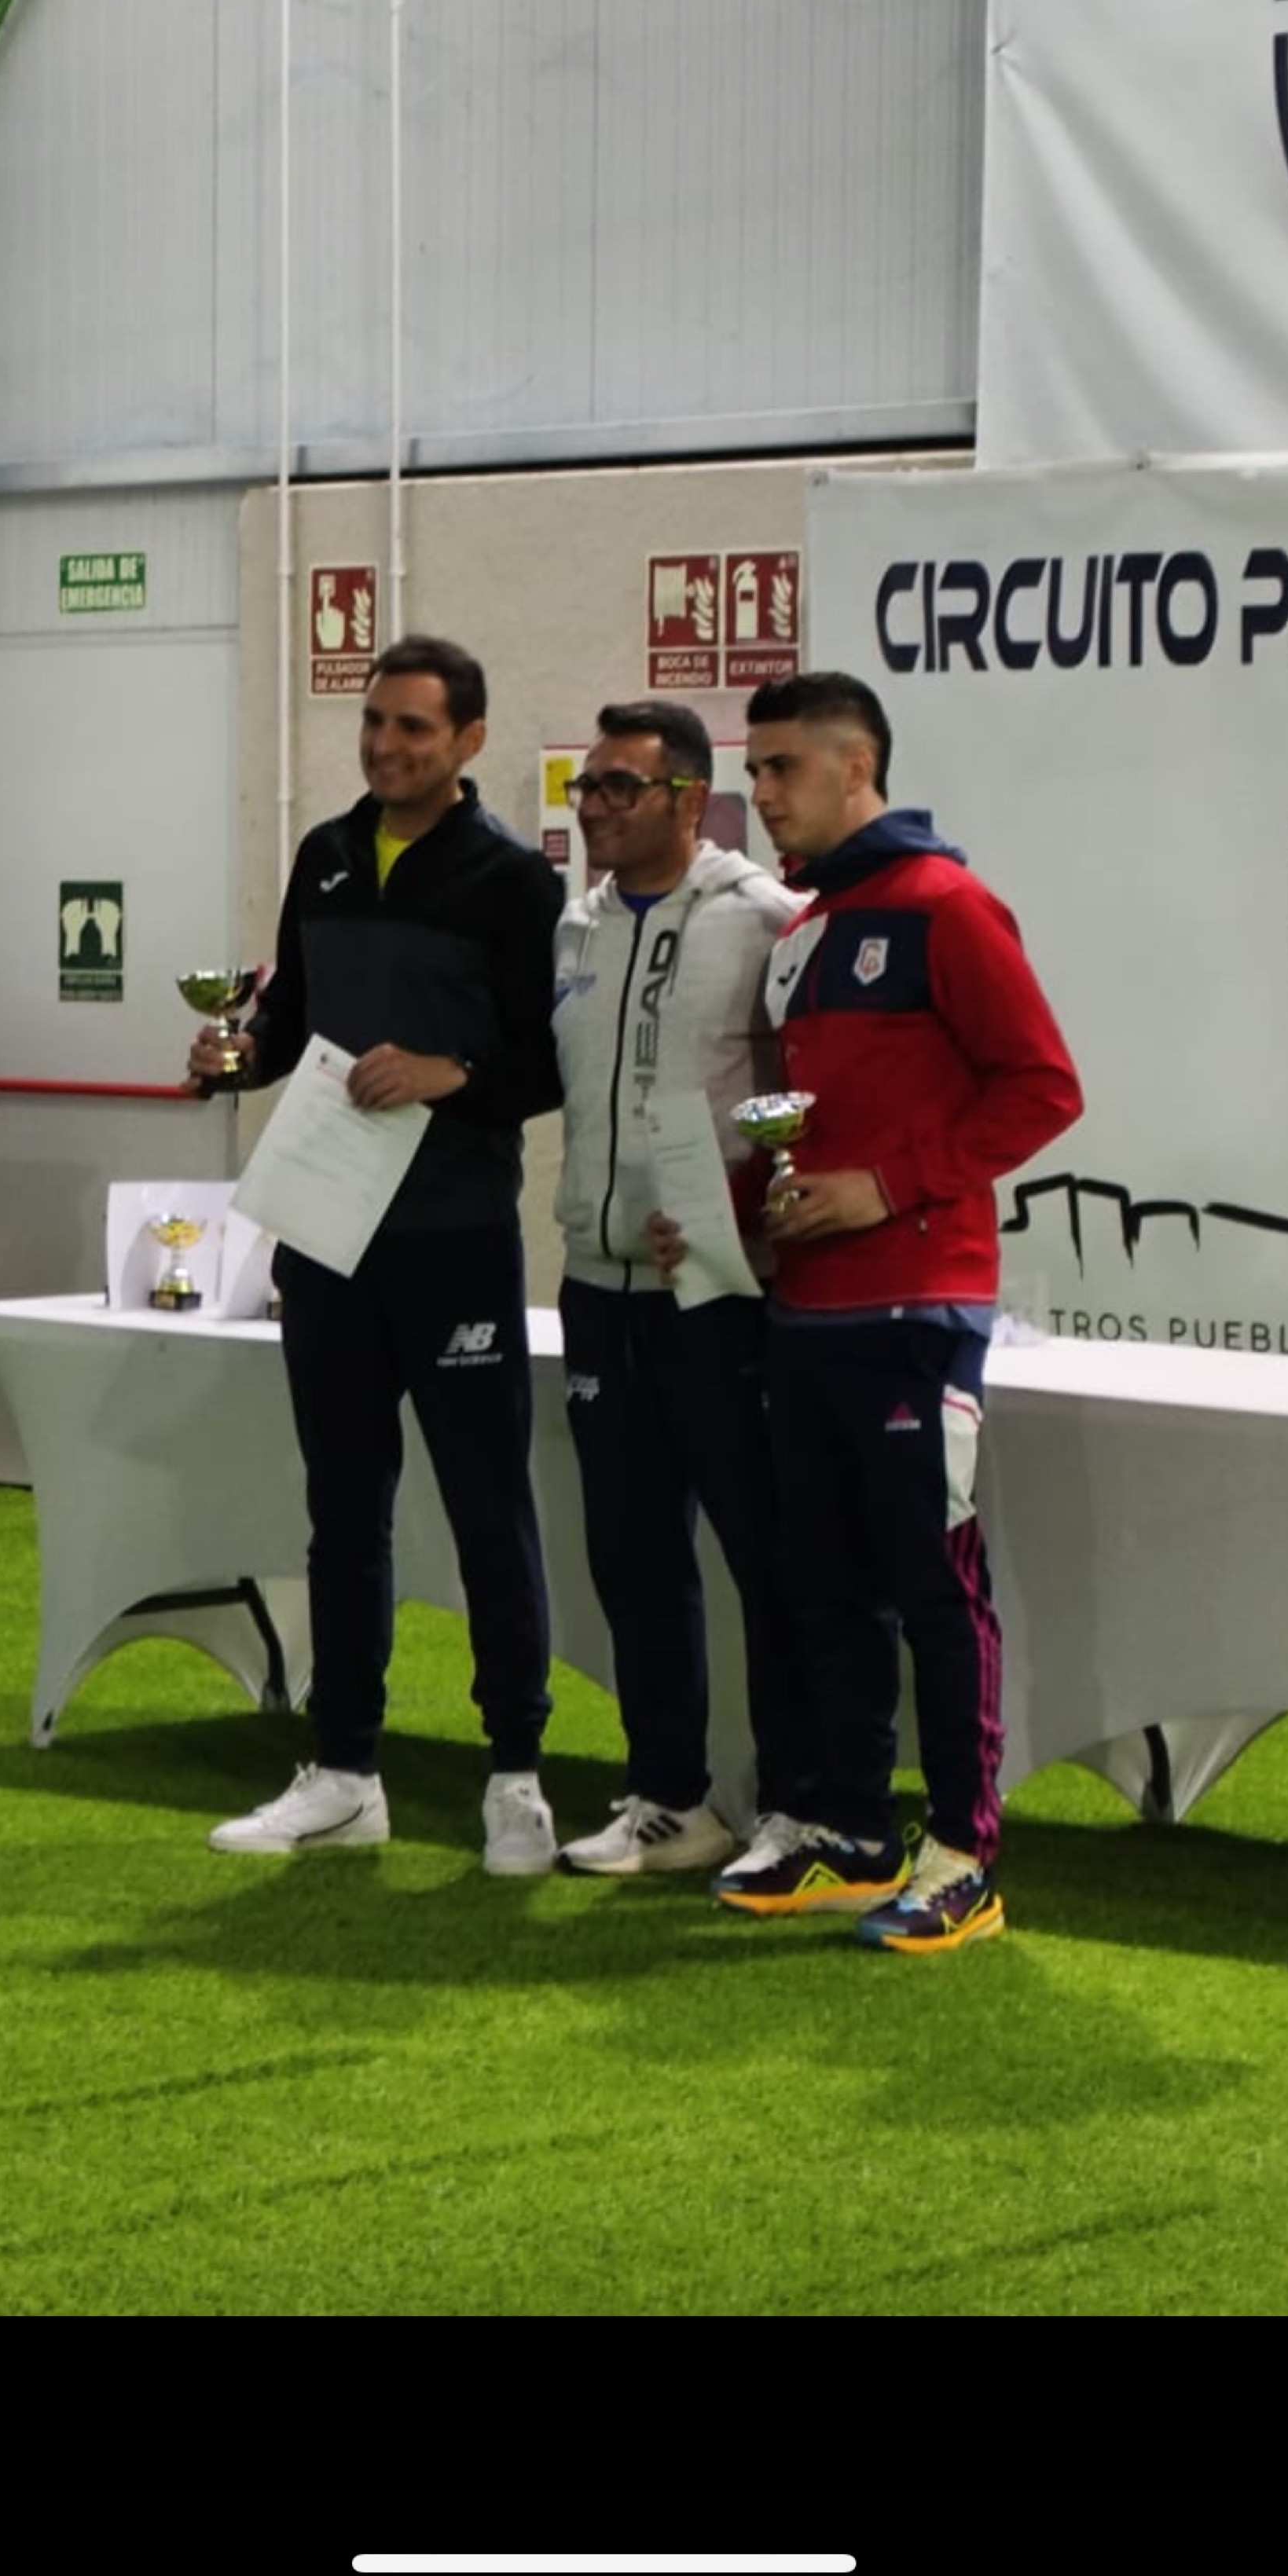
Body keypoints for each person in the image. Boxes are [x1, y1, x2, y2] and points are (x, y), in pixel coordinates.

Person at [701, 669, 1083, 1952]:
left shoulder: (947, 906)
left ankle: (966, 1856)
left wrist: (883, 1188)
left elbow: (1043, 1088)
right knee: (821, 1583)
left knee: (932, 1588)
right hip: (805, 1309)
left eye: (782, 769)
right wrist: (739, 1208)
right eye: (753, 771)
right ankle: (852, 1831)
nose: (761, 795)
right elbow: (803, 1128)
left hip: (919, 1309)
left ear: (855, 766)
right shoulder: (806, 930)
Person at [193, 636, 563, 1876]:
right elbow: (290, 1021)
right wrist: (236, 1057)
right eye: (374, 723)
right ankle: (346, 1772)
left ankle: (516, 1776)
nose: (386, 746)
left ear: (468, 741)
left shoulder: (512, 880)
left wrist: (451, 1074)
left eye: (414, 727)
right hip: (326, 1240)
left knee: (487, 1512)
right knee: (342, 1511)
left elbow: (546, 1063)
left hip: (454, 1241)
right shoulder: (326, 856)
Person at [552, 698, 818, 1876]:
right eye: (588, 787)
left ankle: (793, 1804)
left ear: (690, 799)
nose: (596, 808)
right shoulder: (577, 926)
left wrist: (751, 1212)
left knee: (766, 1552)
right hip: (596, 1280)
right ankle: (670, 1796)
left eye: (622, 787)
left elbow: (816, 1091)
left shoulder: (763, 918)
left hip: (718, 1289)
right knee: (632, 1554)